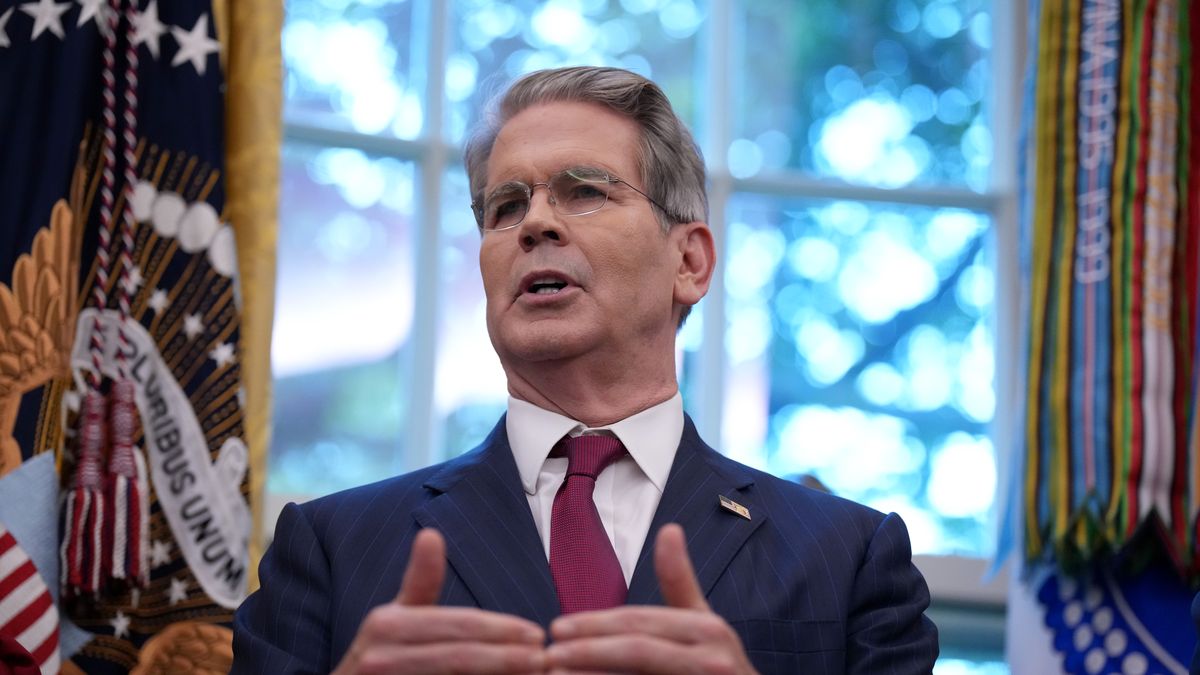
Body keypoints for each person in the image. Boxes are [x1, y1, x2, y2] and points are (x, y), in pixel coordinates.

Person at [232, 66, 939, 674]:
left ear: (689, 261)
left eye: (585, 191)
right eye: (506, 205)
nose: (535, 223)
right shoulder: (331, 549)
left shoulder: (848, 561)